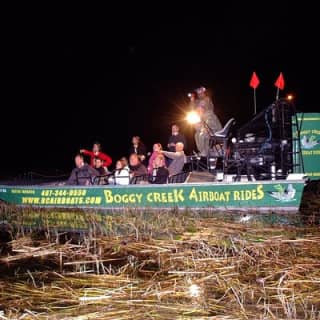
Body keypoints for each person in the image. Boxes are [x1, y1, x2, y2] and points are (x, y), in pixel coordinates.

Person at [193, 87, 222, 157]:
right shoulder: (200, 116)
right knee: (197, 134)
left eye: (200, 92)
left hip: (214, 126)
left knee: (203, 134)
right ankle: (204, 151)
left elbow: (202, 106)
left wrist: (198, 110)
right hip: (206, 127)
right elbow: (197, 127)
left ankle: (207, 151)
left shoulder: (207, 101)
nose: (199, 94)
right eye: (198, 93)